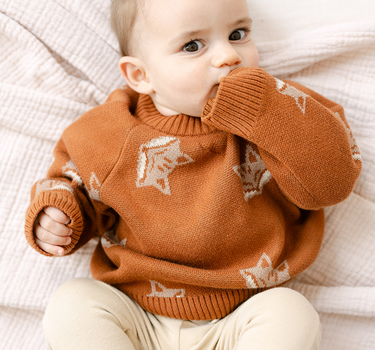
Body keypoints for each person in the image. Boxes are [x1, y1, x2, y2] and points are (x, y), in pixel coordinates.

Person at [24, 0, 362, 349]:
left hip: (243, 314)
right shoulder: (112, 130)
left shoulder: (281, 111)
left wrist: (264, 108)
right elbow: (72, 183)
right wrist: (60, 213)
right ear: (141, 76)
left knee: (291, 313)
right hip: (136, 316)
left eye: (237, 34)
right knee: (73, 303)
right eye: (193, 46)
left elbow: (333, 183)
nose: (228, 56)